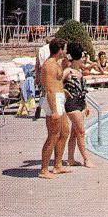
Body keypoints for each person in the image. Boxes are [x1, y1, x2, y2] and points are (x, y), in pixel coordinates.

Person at [39, 38, 71, 179]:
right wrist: (55, 111)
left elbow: (56, 83)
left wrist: (63, 91)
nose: (66, 51)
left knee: (64, 131)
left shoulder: (55, 64)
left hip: (58, 98)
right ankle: (44, 170)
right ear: (59, 50)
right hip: (53, 100)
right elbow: (50, 89)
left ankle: (57, 165)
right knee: (53, 135)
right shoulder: (49, 65)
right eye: (64, 49)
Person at [62, 42, 93, 168]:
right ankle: (86, 159)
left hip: (80, 103)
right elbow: (55, 83)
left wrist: (85, 105)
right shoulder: (68, 71)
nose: (84, 60)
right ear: (78, 57)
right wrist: (64, 91)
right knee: (81, 132)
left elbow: (82, 91)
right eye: (82, 57)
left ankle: (70, 159)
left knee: (75, 133)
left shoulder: (78, 71)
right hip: (72, 104)